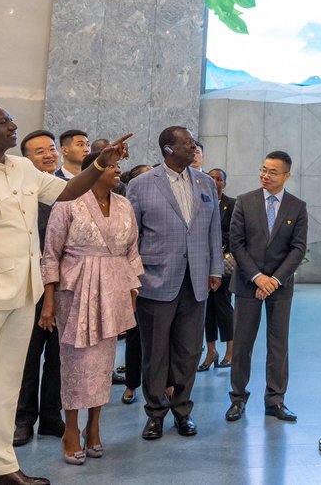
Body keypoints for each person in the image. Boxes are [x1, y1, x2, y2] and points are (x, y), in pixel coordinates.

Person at [0, 105, 129, 485]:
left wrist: (99, 164)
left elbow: (67, 192)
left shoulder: (22, 169)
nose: (13, 126)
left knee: (6, 385)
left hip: (24, 293)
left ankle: (0, 468)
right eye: (4, 122)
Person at [40, 152, 142, 465]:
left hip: (113, 289)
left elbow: (132, 251)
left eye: (117, 166)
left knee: (103, 363)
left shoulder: (124, 204)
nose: (117, 170)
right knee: (74, 362)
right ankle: (71, 429)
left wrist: (133, 290)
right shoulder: (68, 202)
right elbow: (50, 254)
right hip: (76, 289)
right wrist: (48, 300)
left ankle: (94, 426)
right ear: (93, 170)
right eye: (111, 166)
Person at [126, 127, 222, 440]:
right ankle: (155, 414)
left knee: (188, 351)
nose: (194, 146)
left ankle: (183, 411)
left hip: (196, 281)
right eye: (187, 142)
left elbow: (213, 231)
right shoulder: (141, 184)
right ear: (169, 149)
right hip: (155, 280)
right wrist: (132, 278)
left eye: (194, 141)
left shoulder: (205, 182)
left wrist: (216, 269)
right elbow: (132, 236)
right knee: (155, 353)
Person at [226, 151, 309, 423]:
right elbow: (236, 243)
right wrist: (257, 277)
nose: (265, 175)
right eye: (263, 169)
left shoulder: (297, 207)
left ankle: (275, 400)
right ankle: (238, 398)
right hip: (248, 283)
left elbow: (298, 248)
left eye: (273, 172)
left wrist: (273, 280)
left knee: (278, 344)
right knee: (242, 345)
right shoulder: (244, 202)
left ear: (286, 176)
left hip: (279, 287)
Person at [13, 130, 64, 447]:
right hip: (30, 286)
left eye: (51, 148)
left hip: (67, 286)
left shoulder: (69, 190)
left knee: (60, 356)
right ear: (26, 159)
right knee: (28, 357)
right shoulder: (23, 189)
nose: (48, 154)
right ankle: (22, 419)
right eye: (39, 151)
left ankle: (51, 417)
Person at [117, 164, 152, 404]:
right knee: (135, 334)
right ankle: (131, 384)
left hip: (159, 276)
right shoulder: (125, 207)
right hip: (134, 277)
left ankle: (162, 385)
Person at [199, 168, 235, 371]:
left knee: (223, 307)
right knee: (207, 310)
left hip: (224, 264)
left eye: (218, 179)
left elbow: (235, 233)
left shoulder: (231, 204)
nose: (214, 181)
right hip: (202, 264)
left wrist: (216, 241)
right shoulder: (202, 202)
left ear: (224, 183)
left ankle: (231, 350)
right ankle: (211, 351)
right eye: (211, 178)